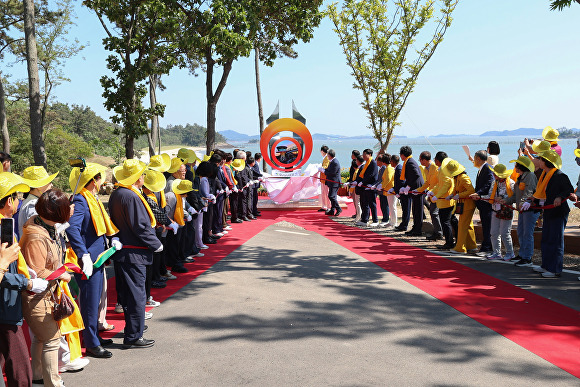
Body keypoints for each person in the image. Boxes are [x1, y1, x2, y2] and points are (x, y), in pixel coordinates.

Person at [20, 189, 73, 387]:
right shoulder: (36, 235)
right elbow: (37, 271)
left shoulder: (42, 224)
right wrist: (63, 274)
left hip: (42, 294)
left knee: (41, 339)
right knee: (51, 339)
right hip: (37, 296)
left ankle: (37, 376)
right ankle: (54, 382)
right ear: (57, 212)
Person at [66, 163, 117, 359]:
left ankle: (93, 335)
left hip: (97, 256)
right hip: (88, 259)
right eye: (99, 179)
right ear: (93, 181)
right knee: (89, 301)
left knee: (95, 300)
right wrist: (83, 254)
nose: (101, 182)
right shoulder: (80, 200)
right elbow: (72, 228)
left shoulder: (90, 198)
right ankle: (92, 343)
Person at [0, 172, 47, 387]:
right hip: (5, 306)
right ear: (8, 200)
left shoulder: (5, 225)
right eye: (16, 197)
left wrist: (25, 269)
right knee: (20, 369)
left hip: (8, 303)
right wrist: (27, 283)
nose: (19, 201)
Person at [109, 159, 162, 349]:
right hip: (135, 251)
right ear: (137, 178)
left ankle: (134, 327)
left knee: (131, 294)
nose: (144, 177)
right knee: (136, 295)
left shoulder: (120, 193)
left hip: (126, 250)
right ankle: (133, 335)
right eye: (142, 174)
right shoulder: (130, 196)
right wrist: (156, 243)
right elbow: (140, 225)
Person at [527, 150, 573, 277]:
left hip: (558, 212)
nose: (538, 161)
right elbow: (542, 193)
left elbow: (568, 190)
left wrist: (559, 197)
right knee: (546, 239)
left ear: (545, 162)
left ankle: (555, 269)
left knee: (556, 240)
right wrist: (534, 199)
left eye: (540, 159)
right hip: (547, 211)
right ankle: (546, 265)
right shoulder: (544, 175)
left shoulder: (559, 175)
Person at [504, 156, 539, 267]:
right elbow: (515, 196)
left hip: (530, 209)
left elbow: (529, 191)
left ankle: (527, 258)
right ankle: (522, 254)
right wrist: (505, 201)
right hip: (522, 209)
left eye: (516, 165)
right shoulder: (520, 177)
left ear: (521, 166)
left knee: (527, 233)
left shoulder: (530, 176)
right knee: (520, 232)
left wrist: (523, 202)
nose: (515, 168)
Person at [443, 160, 477, 254]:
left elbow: (471, 190)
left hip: (468, 204)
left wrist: (459, 195)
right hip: (463, 204)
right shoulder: (457, 178)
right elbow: (455, 189)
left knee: (462, 225)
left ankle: (460, 248)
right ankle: (472, 246)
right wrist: (452, 195)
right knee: (468, 225)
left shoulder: (463, 177)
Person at [17, 166, 58, 238]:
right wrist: (65, 218)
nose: (51, 185)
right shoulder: (33, 205)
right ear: (39, 186)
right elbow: (42, 231)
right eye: (49, 182)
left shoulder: (32, 202)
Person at [486, 164, 515, 261]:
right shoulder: (495, 183)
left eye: (496, 174)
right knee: (493, 232)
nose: (494, 175)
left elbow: (513, 197)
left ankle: (510, 253)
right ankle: (496, 252)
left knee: (505, 233)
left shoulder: (511, 183)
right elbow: (490, 194)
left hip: (507, 210)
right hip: (496, 208)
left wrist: (503, 198)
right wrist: (493, 198)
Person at [428, 154, 456, 250]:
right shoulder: (441, 169)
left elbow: (446, 185)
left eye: (435, 159)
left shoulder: (444, 170)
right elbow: (439, 185)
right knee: (449, 221)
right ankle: (452, 241)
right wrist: (432, 191)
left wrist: (437, 196)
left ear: (438, 160)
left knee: (446, 222)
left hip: (446, 200)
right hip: (443, 200)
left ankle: (449, 242)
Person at [470, 150, 494, 254]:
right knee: (485, 224)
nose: (473, 161)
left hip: (486, 201)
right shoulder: (482, 168)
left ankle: (488, 247)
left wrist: (478, 193)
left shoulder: (488, 168)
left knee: (487, 225)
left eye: (474, 158)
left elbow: (488, 183)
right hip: (481, 201)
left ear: (479, 159)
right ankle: (486, 245)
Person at [398, 146, 424, 236]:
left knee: (418, 210)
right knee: (415, 209)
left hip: (417, 188)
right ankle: (415, 228)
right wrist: (406, 186)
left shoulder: (410, 162)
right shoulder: (408, 161)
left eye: (400, 155)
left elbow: (416, 175)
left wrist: (408, 186)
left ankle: (418, 230)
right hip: (414, 188)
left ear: (402, 155)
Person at [416, 151, 441, 240]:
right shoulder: (426, 168)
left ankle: (438, 233)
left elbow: (439, 182)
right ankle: (438, 232)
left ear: (424, 160)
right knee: (434, 213)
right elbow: (427, 182)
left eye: (420, 160)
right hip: (432, 194)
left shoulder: (435, 167)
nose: (419, 162)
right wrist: (419, 190)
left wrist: (432, 191)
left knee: (434, 213)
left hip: (438, 194)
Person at [355, 149, 379, 227]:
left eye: (365, 154)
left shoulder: (373, 163)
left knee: (372, 204)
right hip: (365, 186)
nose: (363, 156)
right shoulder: (366, 163)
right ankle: (365, 219)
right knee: (365, 203)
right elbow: (364, 174)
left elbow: (372, 175)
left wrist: (364, 182)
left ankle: (375, 220)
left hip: (371, 186)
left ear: (369, 154)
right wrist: (360, 181)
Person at [320, 149, 341, 216]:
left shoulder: (335, 162)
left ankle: (338, 208)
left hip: (334, 182)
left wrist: (323, 171)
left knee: (331, 196)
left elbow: (332, 173)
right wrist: (324, 169)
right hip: (331, 182)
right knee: (332, 196)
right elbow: (329, 170)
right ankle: (332, 210)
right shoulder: (332, 161)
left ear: (329, 155)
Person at [374, 154, 393, 226]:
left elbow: (384, 179)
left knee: (385, 205)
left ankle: (386, 219)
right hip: (381, 189)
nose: (376, 162)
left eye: (377, 161)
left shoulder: (385, 168)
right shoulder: (382, 168)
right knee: (382, 204)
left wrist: (380, 186)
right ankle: (384, 218)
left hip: (384, 190)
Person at [348, 155, 364, 223]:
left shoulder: (357, 171)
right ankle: (358, 216)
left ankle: (359, 217)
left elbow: (355, 181)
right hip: (355, 189)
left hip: (357, 189)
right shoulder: (357, 170)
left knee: (358, 204)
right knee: (357, 204)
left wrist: (351, 187)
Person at [318, 145, 330, 212]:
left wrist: (320, 168)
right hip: (323, 179)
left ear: (322, 151)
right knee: (323, 193)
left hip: (325, 179)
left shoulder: (327, 158)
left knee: (326, 193)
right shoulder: (325, 158)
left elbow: (325, 167)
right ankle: (324, 206)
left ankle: (328, 207)